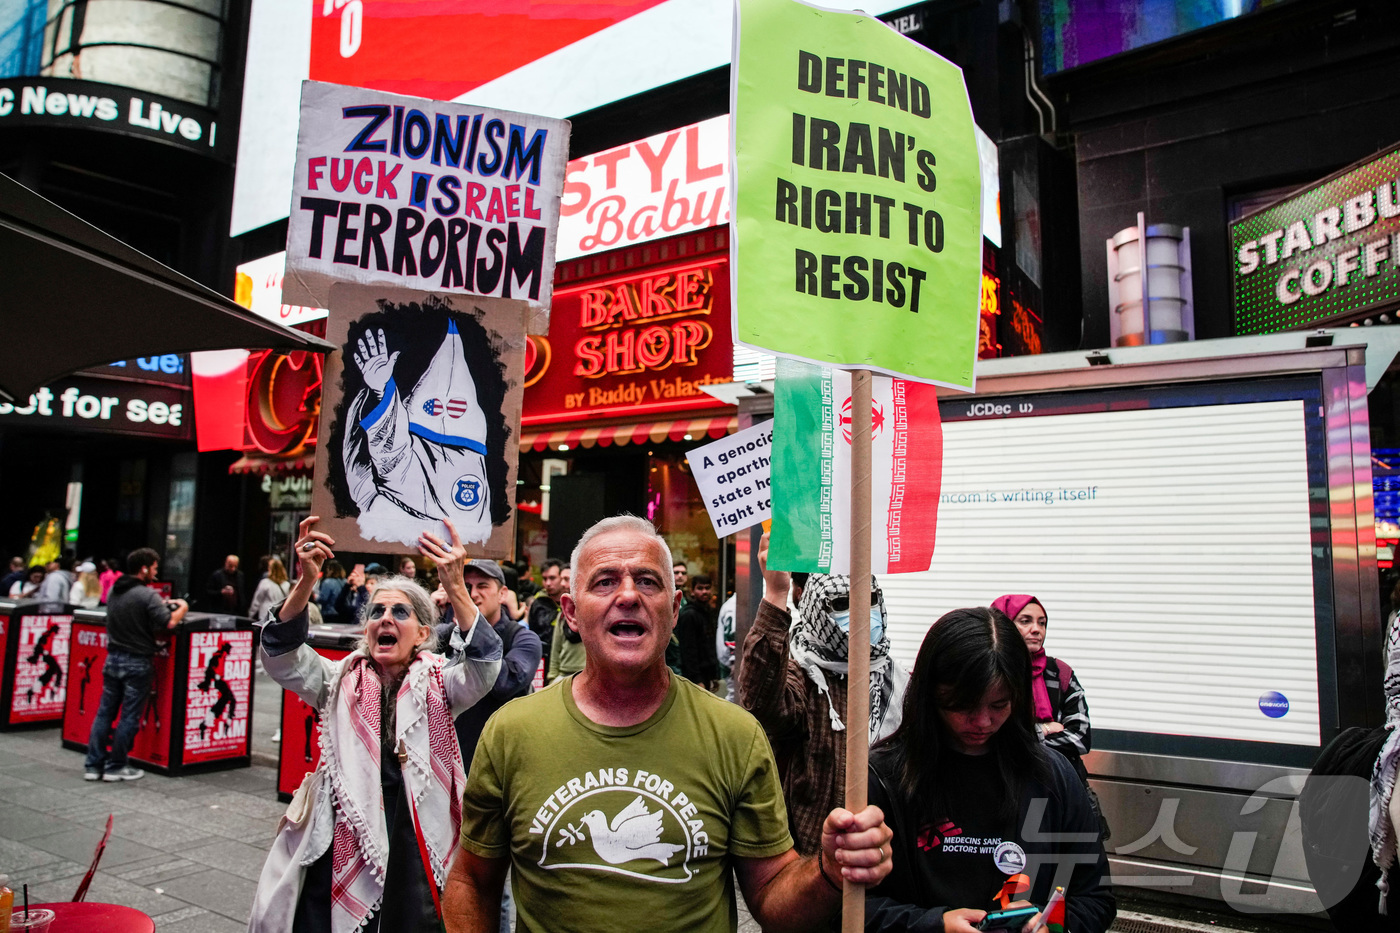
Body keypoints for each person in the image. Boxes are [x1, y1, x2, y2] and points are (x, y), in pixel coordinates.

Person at [442, 515, 893, 933]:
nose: (628, 595)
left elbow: (772, 891)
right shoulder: (511, 732)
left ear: (674, 609)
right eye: (605, 581)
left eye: (647, 581)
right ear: (571, 613)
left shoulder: (734, 735)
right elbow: (472, 881)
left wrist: (829, 870)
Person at [248, 516, 503, 933]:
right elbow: (281, 656)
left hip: (414, 833)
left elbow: (485, 667)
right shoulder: (337, 679)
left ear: (422, 632)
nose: (385, 618)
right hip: (343, 835)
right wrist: (306, 580)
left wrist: (456, 585)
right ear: (365, 629)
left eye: (400, 611)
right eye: (376, 611)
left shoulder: (442, 682)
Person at [864, 606, 1115, 933]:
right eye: (962, 705)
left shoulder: (1053, 776)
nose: (983, 722)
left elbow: (1095, 898)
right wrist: (934, 925)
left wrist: (1050, 923)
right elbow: (850, 906)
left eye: (999, 705)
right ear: (930, 695)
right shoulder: (884, 777)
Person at [739, 533, 907, 856]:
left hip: (886, 856)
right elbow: (761, 701)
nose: (860, 613)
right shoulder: (803, 675)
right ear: (809, 601)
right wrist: (775, 594)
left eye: (869, 599)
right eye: (841, 604)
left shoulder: (897, 680)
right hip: (817, 860)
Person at [440, 559, 542, 933]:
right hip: (446, 770)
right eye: (465, 586)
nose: (473, 593)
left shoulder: (523, 638)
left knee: (489, 880)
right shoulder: (444, 635)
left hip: (499, 776)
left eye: (482, 585)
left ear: (503, 593)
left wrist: (471, 633)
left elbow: (503, 682)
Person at [991, 594, 1105, 837]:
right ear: (1003, 624)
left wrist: (1025, 738)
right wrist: (1044, 729)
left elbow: (1081, 738)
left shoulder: (1059, 672)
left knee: (1074, 858)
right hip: (1007, 793)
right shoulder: (991, 672)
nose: (1036, 629)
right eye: (1025, 621)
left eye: (1042, 623)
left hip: (1061, 789)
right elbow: (995, 737)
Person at [84, 548, 189, 782]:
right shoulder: (146, 594)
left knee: (104, 713)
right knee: (129, 716)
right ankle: (116, 766)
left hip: (112, 659)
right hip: (137, 662)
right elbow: (169, 622)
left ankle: (93, 765)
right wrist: (182, 606)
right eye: (154, 568)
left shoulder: (115, 590)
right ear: (144, 568)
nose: (156, 572)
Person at [676, 574, 720, 690]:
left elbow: (710, 646)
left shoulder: (709, 612)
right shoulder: (689, 615)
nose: (704, 592)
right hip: (694, 675)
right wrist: (697, 679)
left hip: (706, 673)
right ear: (692, 591)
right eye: (700, 588)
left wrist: (713, 676)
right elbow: (688, 650)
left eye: (707, 588)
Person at [527, 558, 567, 661]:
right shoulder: (539, 603)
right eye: (545, 579)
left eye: (552, 578)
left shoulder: (571, 602)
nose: (548, 583)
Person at [247, 556, 291, 622]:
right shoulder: (287, 585)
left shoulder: (265, 583)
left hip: (265, 615)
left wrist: (251, 614)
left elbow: (257, 601)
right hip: (279, 615)